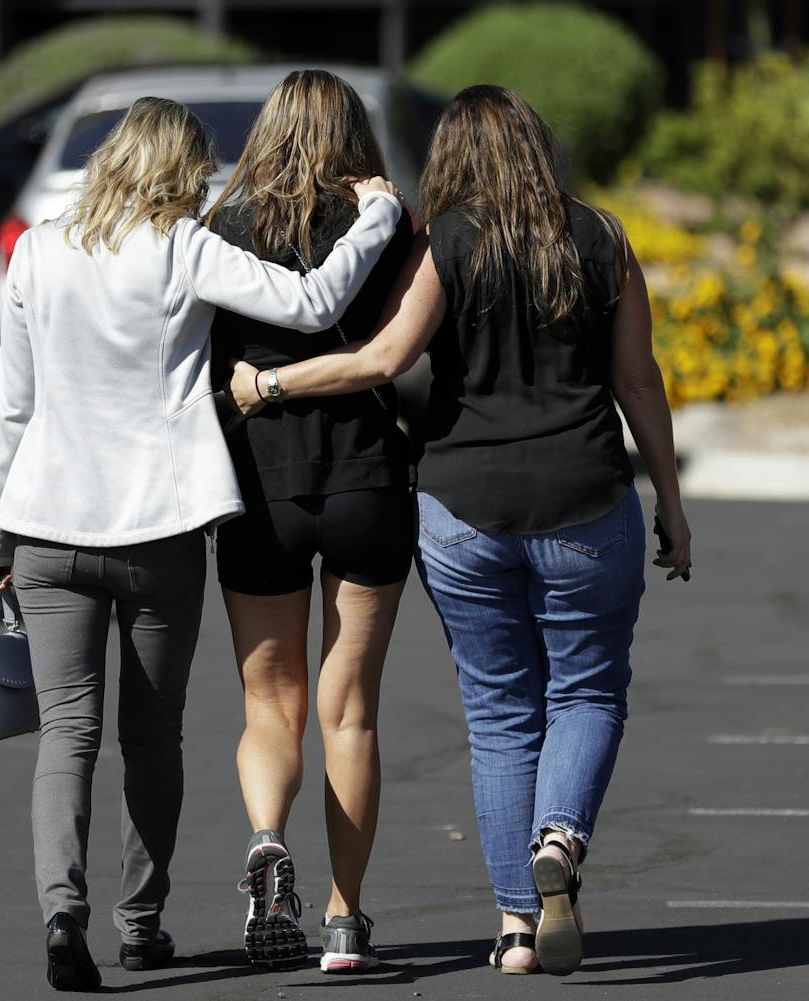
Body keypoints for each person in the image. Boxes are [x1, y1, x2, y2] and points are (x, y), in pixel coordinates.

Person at [230, 84, 693, 977]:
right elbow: (641, 384)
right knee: (588, 692)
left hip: (460, 510)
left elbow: (382, 360)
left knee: (499, 714)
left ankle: (518, 926)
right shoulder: (601, 238)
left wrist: (271, 386)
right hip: (589, 501)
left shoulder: (446, 242)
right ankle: (560, 835)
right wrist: (670, 504)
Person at [0, 96, 403, 992]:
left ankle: (64, 912)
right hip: (158, 526)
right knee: (153, 732)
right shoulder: (182, 246)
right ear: (180, 168)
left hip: (47, 523)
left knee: (67, 732)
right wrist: (377, 218)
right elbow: (315, 299)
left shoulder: (38, 252)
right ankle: (141, 921)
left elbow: (11, 406)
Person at [204, 69, 416, 974]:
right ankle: (343, 918)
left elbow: (205, 367)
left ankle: (265, 839)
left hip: (263, 485)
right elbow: (408, 353)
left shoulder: (225, 228)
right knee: (351, 711)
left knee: (270, 702)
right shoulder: (388, 220)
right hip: (367, 478)